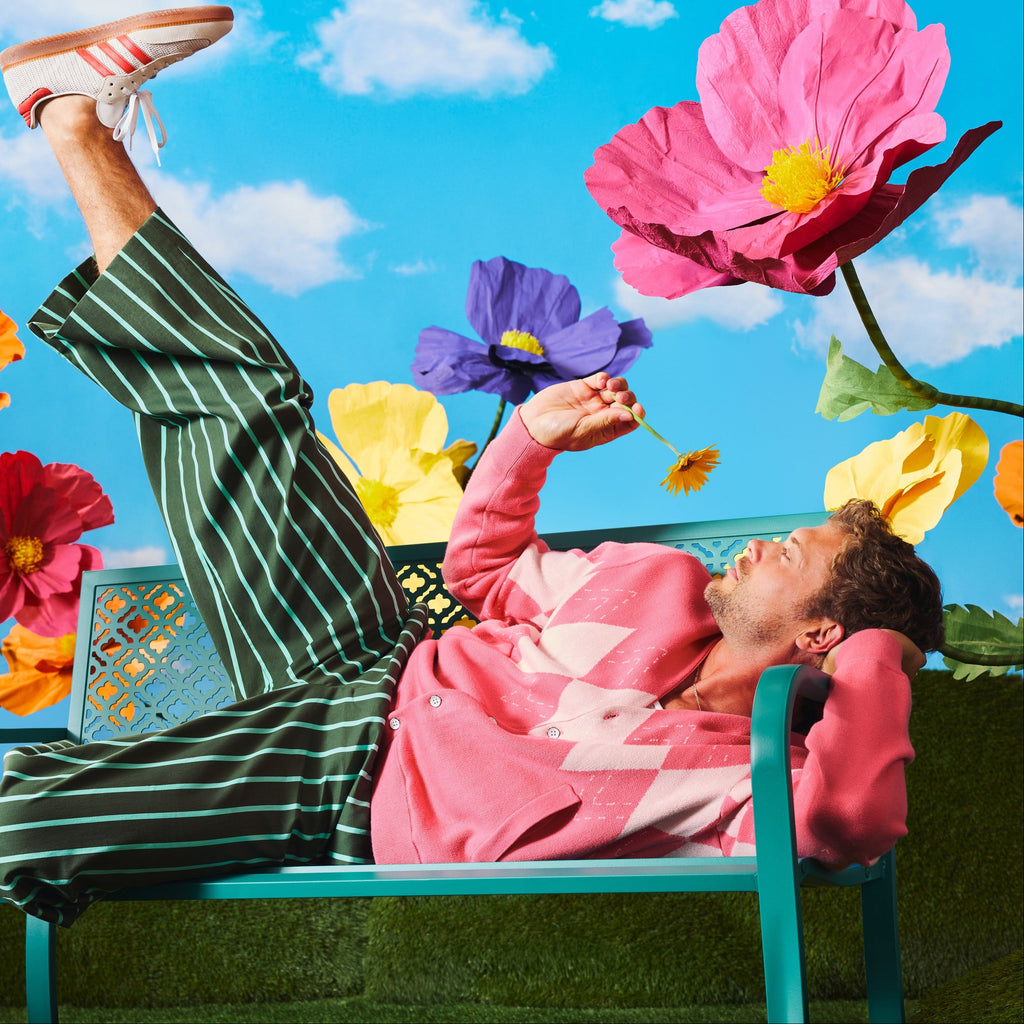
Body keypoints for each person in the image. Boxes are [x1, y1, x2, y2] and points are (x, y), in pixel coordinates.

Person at [0, 6, 943, 928]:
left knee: (35, 819)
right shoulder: (656, 580)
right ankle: (68, 111)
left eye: (792, 552)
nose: (762, 545)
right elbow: (481, 574)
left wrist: (884, 652)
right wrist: (528, 436)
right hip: (372, 649)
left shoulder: (747, 781)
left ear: (825, 633)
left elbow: (851, 823)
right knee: (256, 401)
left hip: (354, 785)